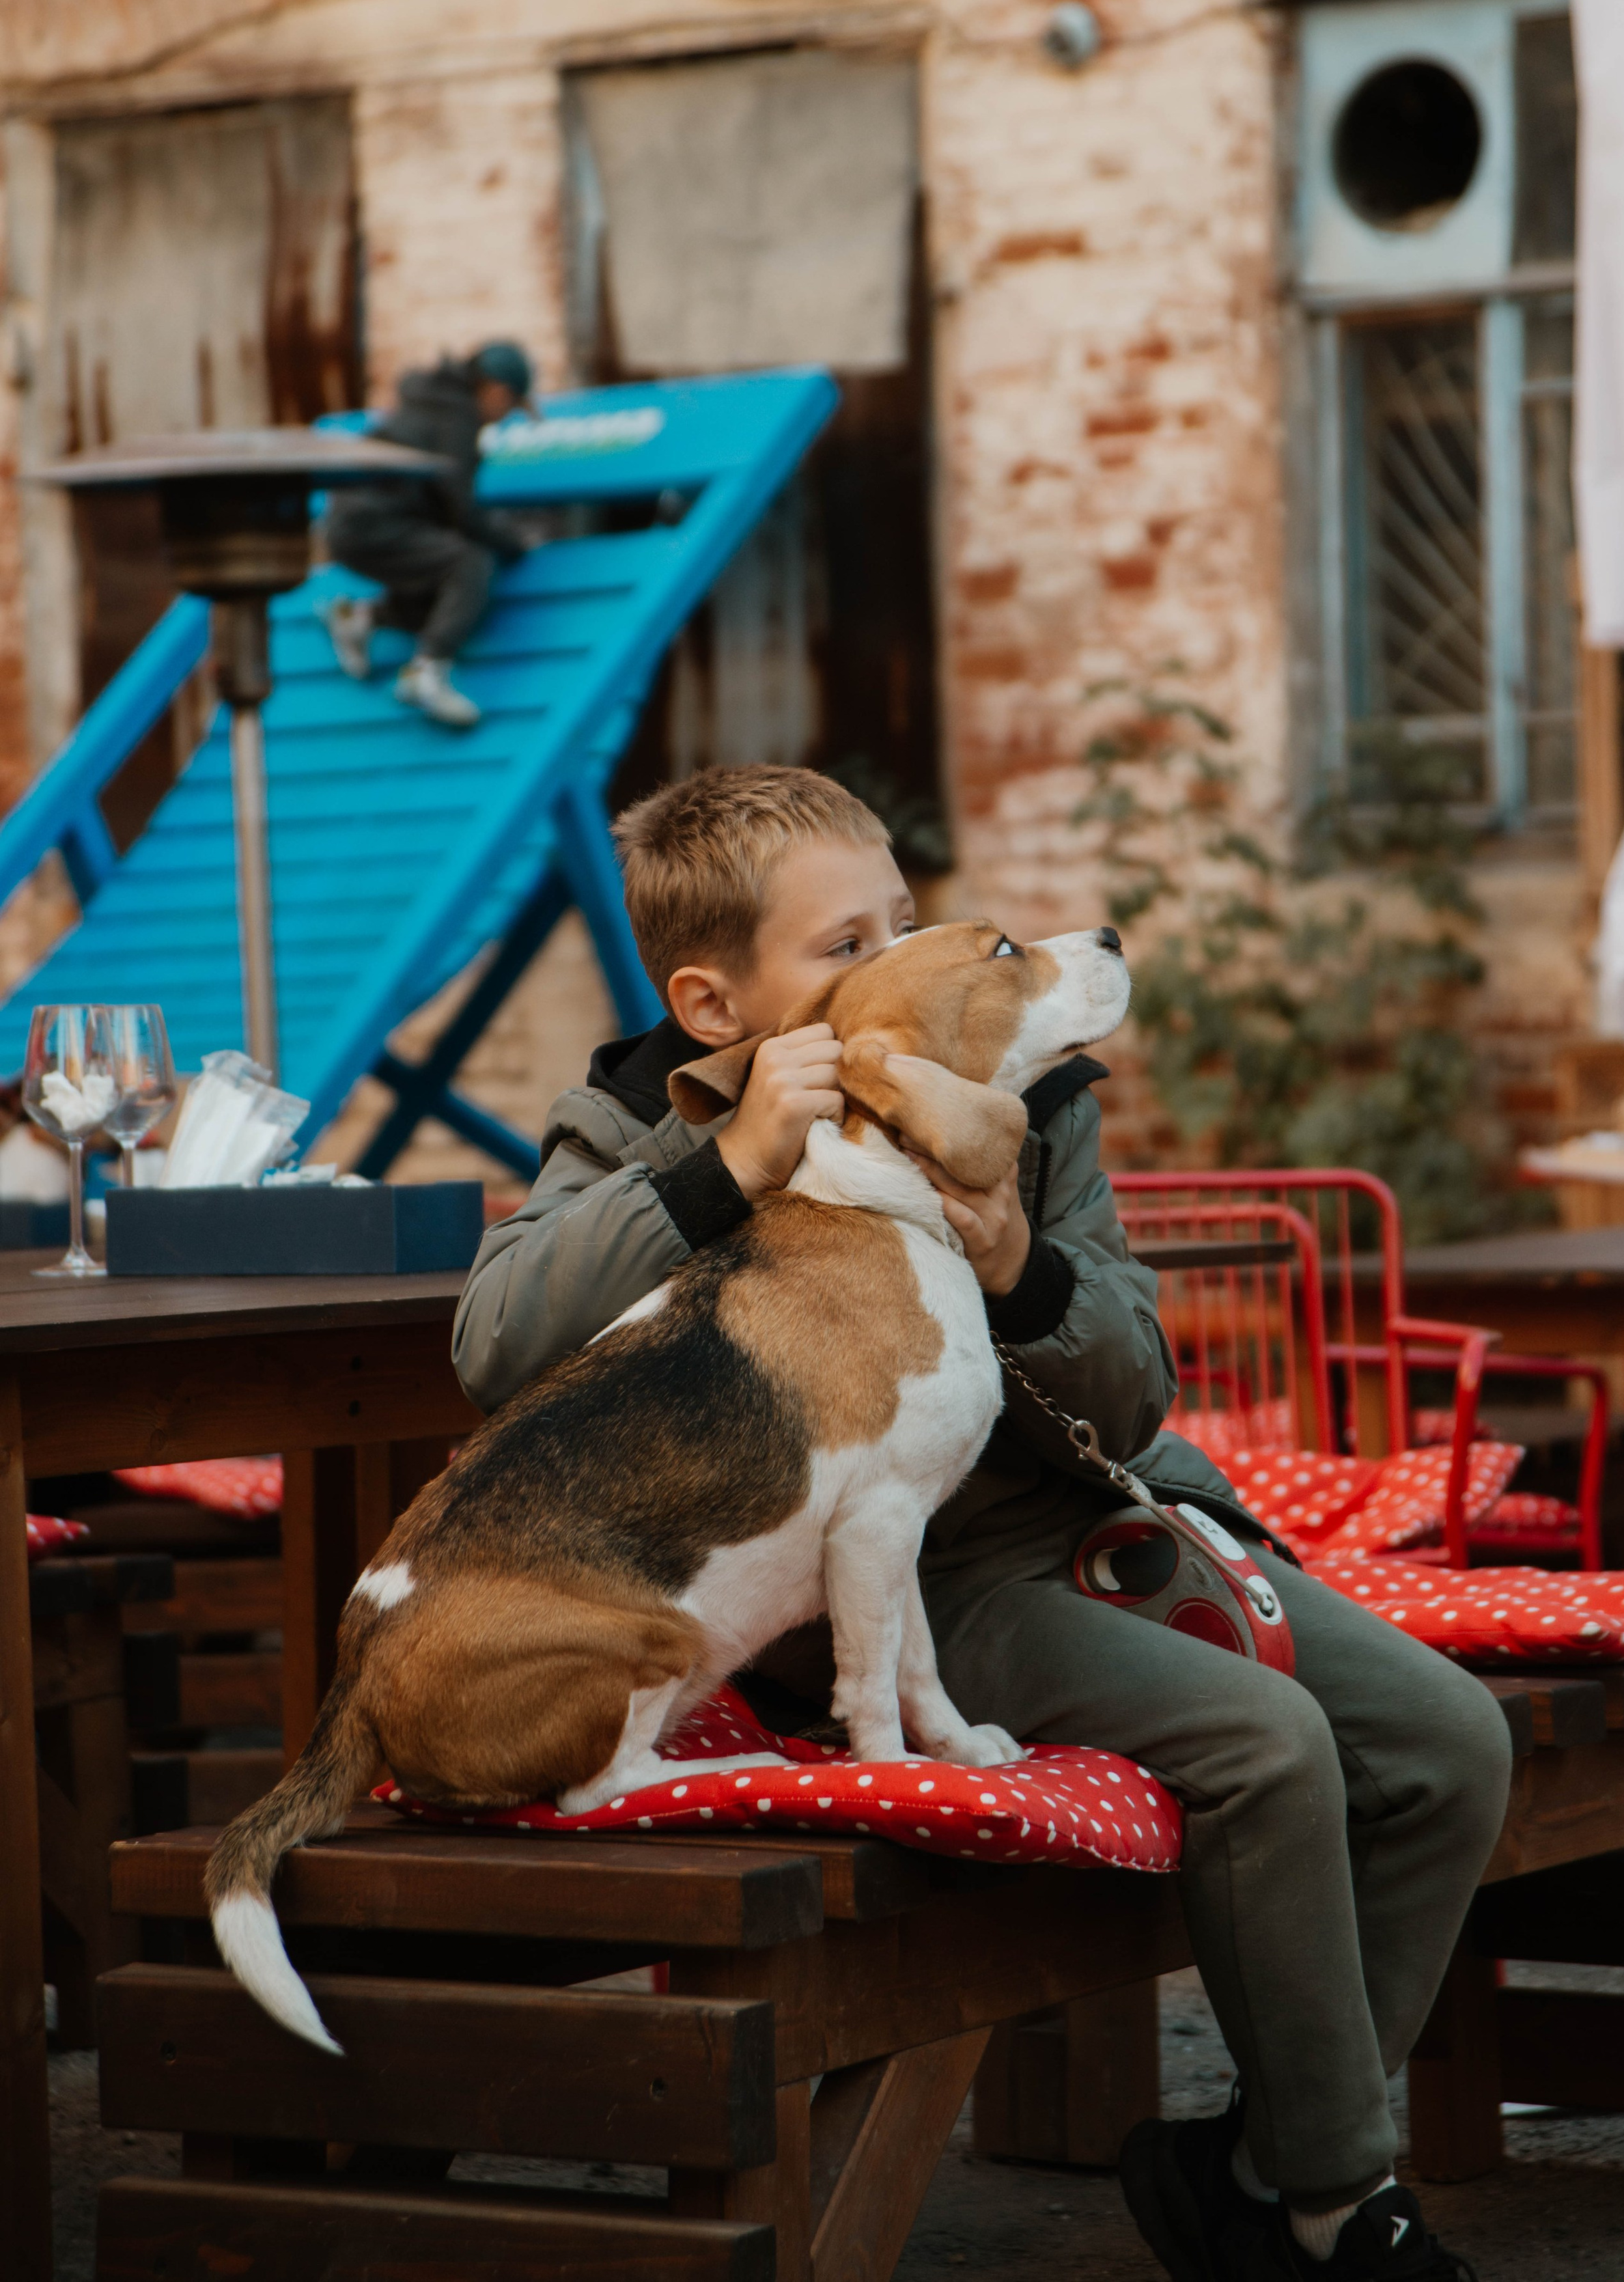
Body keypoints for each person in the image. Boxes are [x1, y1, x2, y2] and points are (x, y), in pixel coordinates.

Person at [452, 762, 1508, 2282]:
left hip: (1088, 1517)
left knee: (1447, 1740)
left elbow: (1130, 1393)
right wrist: (720, 1166)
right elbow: (495, 1342)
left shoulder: (1027, 1093)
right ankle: (1340, 2207)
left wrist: (1019, 1264)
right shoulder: (644, 1117)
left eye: (902, 917)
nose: (895, 956)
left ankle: (1256, 2172)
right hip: (900, 1588)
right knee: (1269, 1748)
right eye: (843, 945)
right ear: (714, 1004)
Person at [320, 339, 536, 729]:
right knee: (470, 565)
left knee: (446, 592)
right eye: (511, 408)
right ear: (497, 392)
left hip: (352, 522)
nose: (504, 418)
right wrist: (516, 544)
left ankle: (359, 617)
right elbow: (462, 510)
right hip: (377, 522)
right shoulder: (458, 419)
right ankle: (428, 670)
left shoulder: (431, 402)